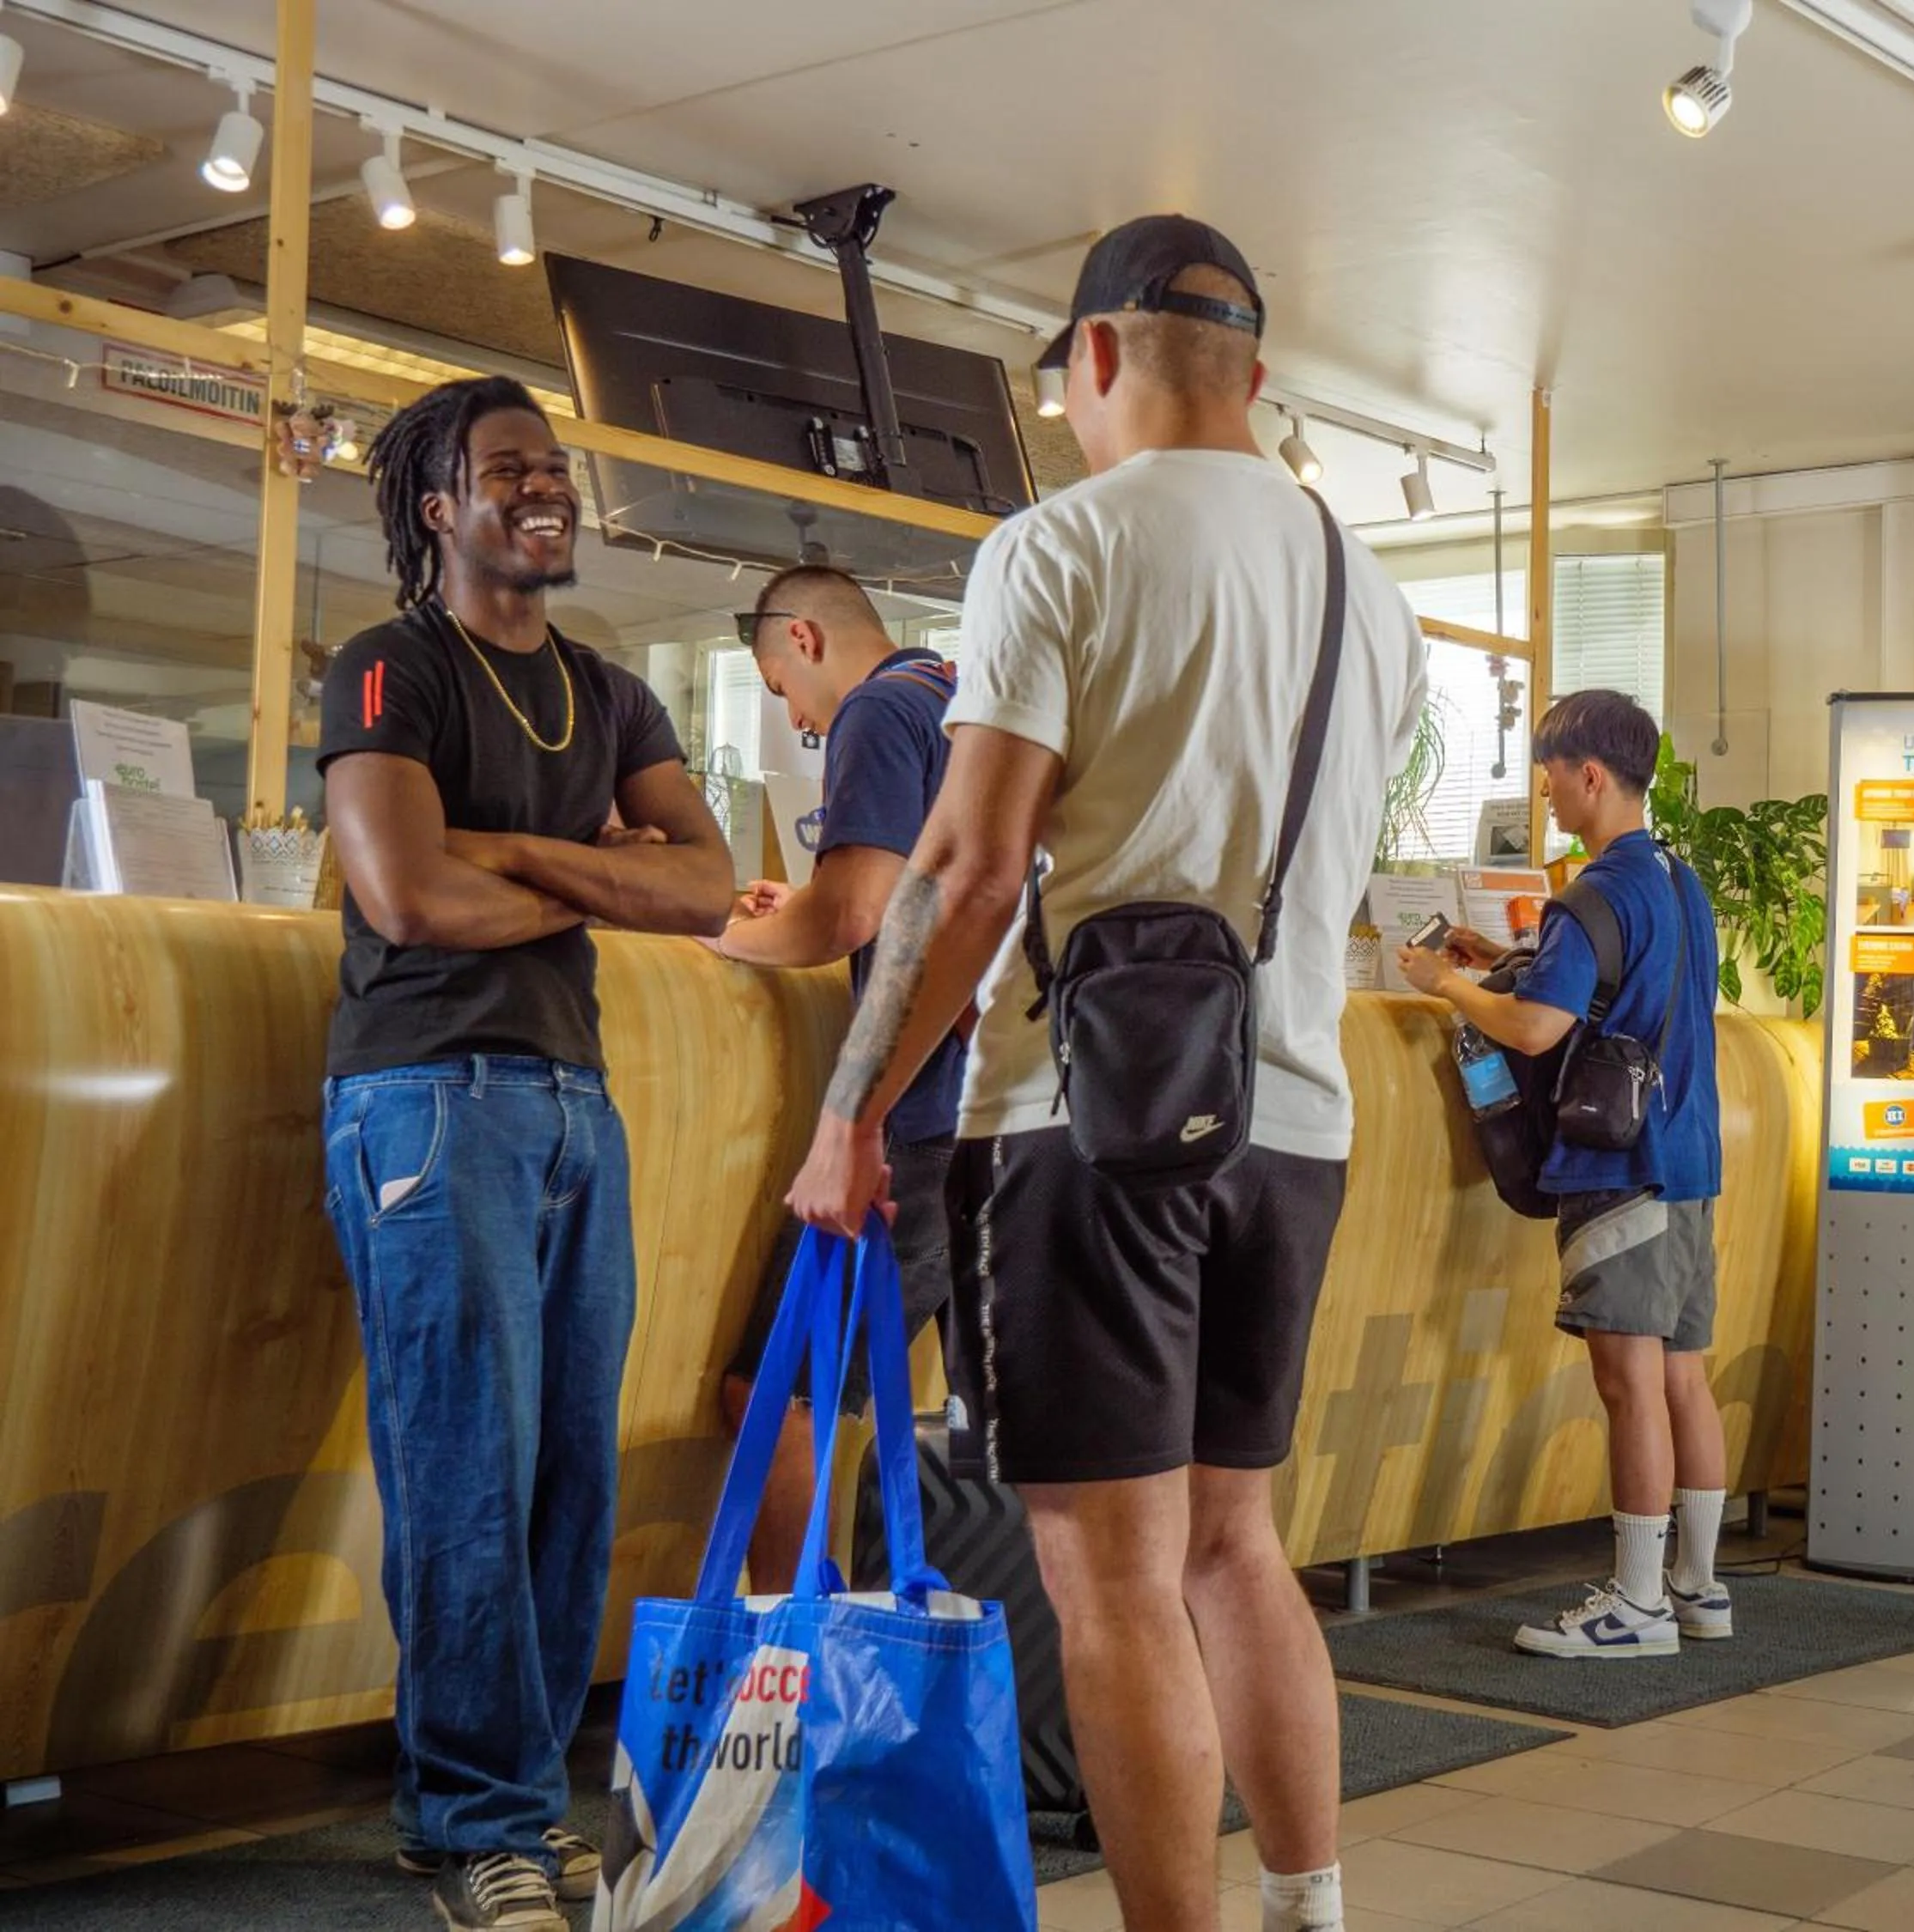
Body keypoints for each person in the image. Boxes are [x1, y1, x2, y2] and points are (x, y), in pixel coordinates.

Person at [783, 214, 1427, 1932]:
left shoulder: (1055, 549)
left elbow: (969, 868)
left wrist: (850, 1111)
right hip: (1292, 1121)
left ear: (1089, 361)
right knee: (1237, 1547)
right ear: (1260, 377)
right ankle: (1307, 1907)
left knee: (1113, 1579)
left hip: (1086, 1123)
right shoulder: (1378, 598)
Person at [318, 376, 735, 1932]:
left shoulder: (611, 694)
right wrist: (602, 876)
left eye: (555, 469)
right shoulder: (389, 671)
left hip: (571, 1102)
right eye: (511, 471)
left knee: (568, 1471)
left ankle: (508, 1805)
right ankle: (475, 1818)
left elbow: (710, 888)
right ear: (442, 507)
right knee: (466, 1471)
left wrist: (514, 855)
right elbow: (407, 899)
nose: (545, 490)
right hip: (425, 1100)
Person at [1397, 689, 1729, 1660]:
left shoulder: (1592, 890)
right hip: (1689, 1161)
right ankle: (1697, 1590)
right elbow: (1629, 995)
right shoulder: (1677, 880)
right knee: (1681, 1381)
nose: (1543, 788)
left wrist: (1448, 983)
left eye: (1549, 769)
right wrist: (1504, 958)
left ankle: (1635, 1608)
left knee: (1628, 1385)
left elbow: (1537, 1030)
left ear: (1591, 774)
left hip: (1617, 1166)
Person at [707, 563, 963, 1589]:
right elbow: (906, 894)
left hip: (922, 1114)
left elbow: (856, 915)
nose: (799, 722)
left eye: (779, 690)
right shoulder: (957, 701)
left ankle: (791, 1682)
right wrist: (805, 899)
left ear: (803, 641)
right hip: (1010, 1108)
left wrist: (708, 923)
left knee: (778, 1396)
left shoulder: (877, 713)